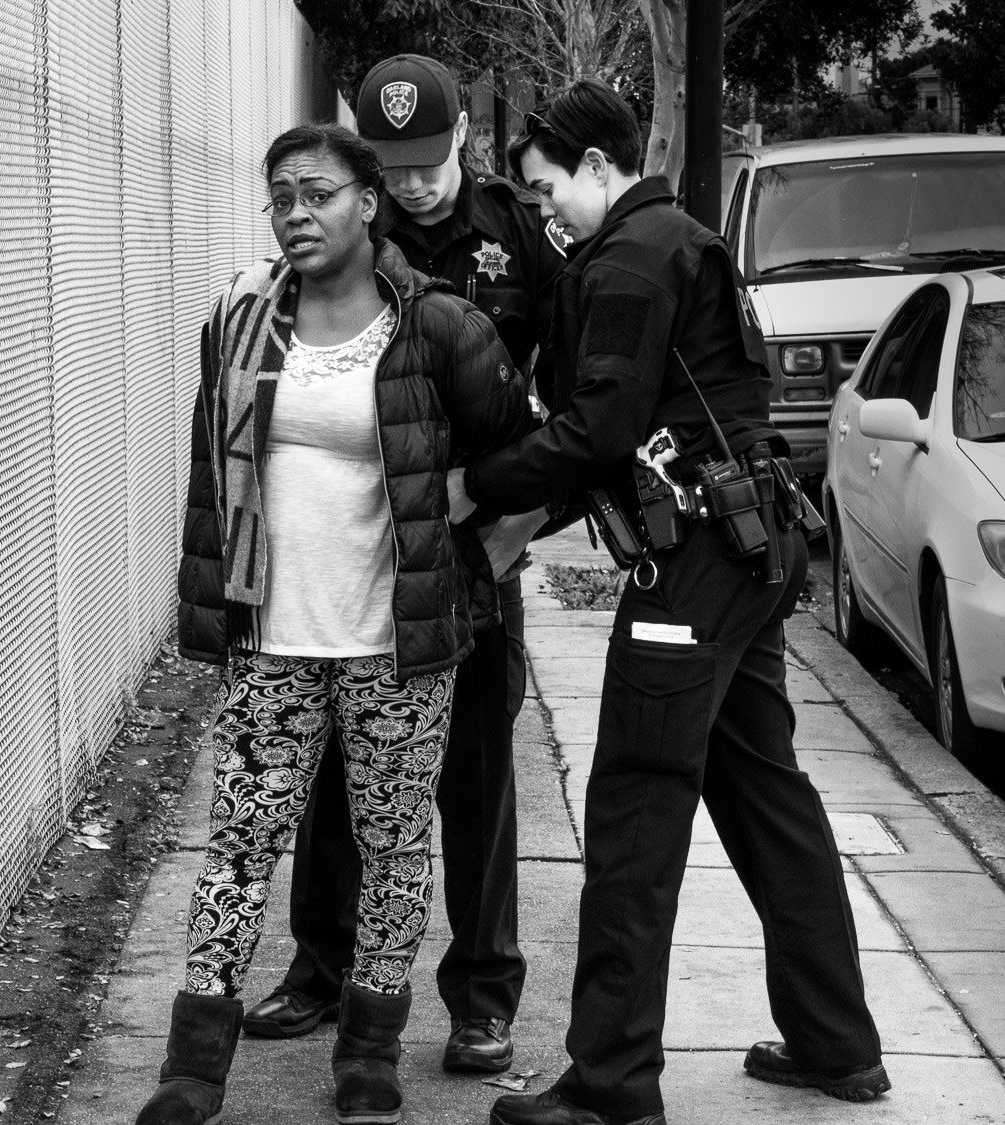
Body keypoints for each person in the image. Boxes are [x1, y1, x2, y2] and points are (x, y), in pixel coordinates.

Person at [449, 80, 889, 1125]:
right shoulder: (677, 242)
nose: (546, 211)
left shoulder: (636, 261)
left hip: (693, 567)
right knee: (764, 795)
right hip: (748, 552)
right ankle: (839, 1045)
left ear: (599, 164)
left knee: (637, 811)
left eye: (552, 187)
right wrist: (526, 515)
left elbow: (598, 431)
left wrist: (480, 488)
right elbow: (637, 431)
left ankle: (610, 1087)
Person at [136, 123, 533, 1125]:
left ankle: (369, 1051)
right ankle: (192, 1071)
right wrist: (213, 611)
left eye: (316, 193)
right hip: (271, 637)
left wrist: (469, 558)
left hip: (393, 646)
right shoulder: (239, 319)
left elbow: (524, 468)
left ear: (368, 202)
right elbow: (209, 480)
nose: (296, 214)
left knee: (395, 849)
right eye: (280, 198)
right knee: (238, 847)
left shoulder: (439, 327)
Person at [247, 53, 565, 1077]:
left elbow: (564, 409)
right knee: (334, 774)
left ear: (463, 139)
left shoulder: (524, 236)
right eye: (397, 165)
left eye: (432, 160)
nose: (418, 183)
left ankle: (480, 998)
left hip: (471, 556)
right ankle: (319, 972)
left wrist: (508, 536)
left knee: (473, 786)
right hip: (352, 564)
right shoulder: (349, 232)